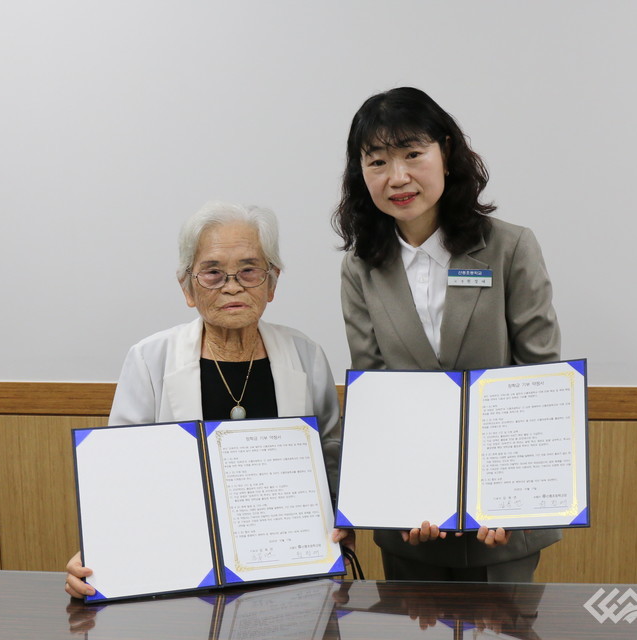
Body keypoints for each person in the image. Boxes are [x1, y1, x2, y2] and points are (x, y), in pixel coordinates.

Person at [332, 87, 562, 582]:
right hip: (412, 524)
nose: (398, 177)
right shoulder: (361, 268)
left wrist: (504, 499)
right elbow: (377, 394)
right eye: (377, 161)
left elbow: (538, 380)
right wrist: (409, 499)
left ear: (446, 153)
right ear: (360, 172)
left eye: (413, 154)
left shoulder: (509, 247)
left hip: (502, 524)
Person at [66, 201, 348, 598]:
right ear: (187, 287)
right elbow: (120, 477)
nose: (232, 286)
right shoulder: (150, 359)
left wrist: (339, 521)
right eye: (213, 273)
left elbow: (330, 456)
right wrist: (101, 555)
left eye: (249, 270)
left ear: (272, 283)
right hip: (179, 567)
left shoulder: (306, 355)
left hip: (289, 571)